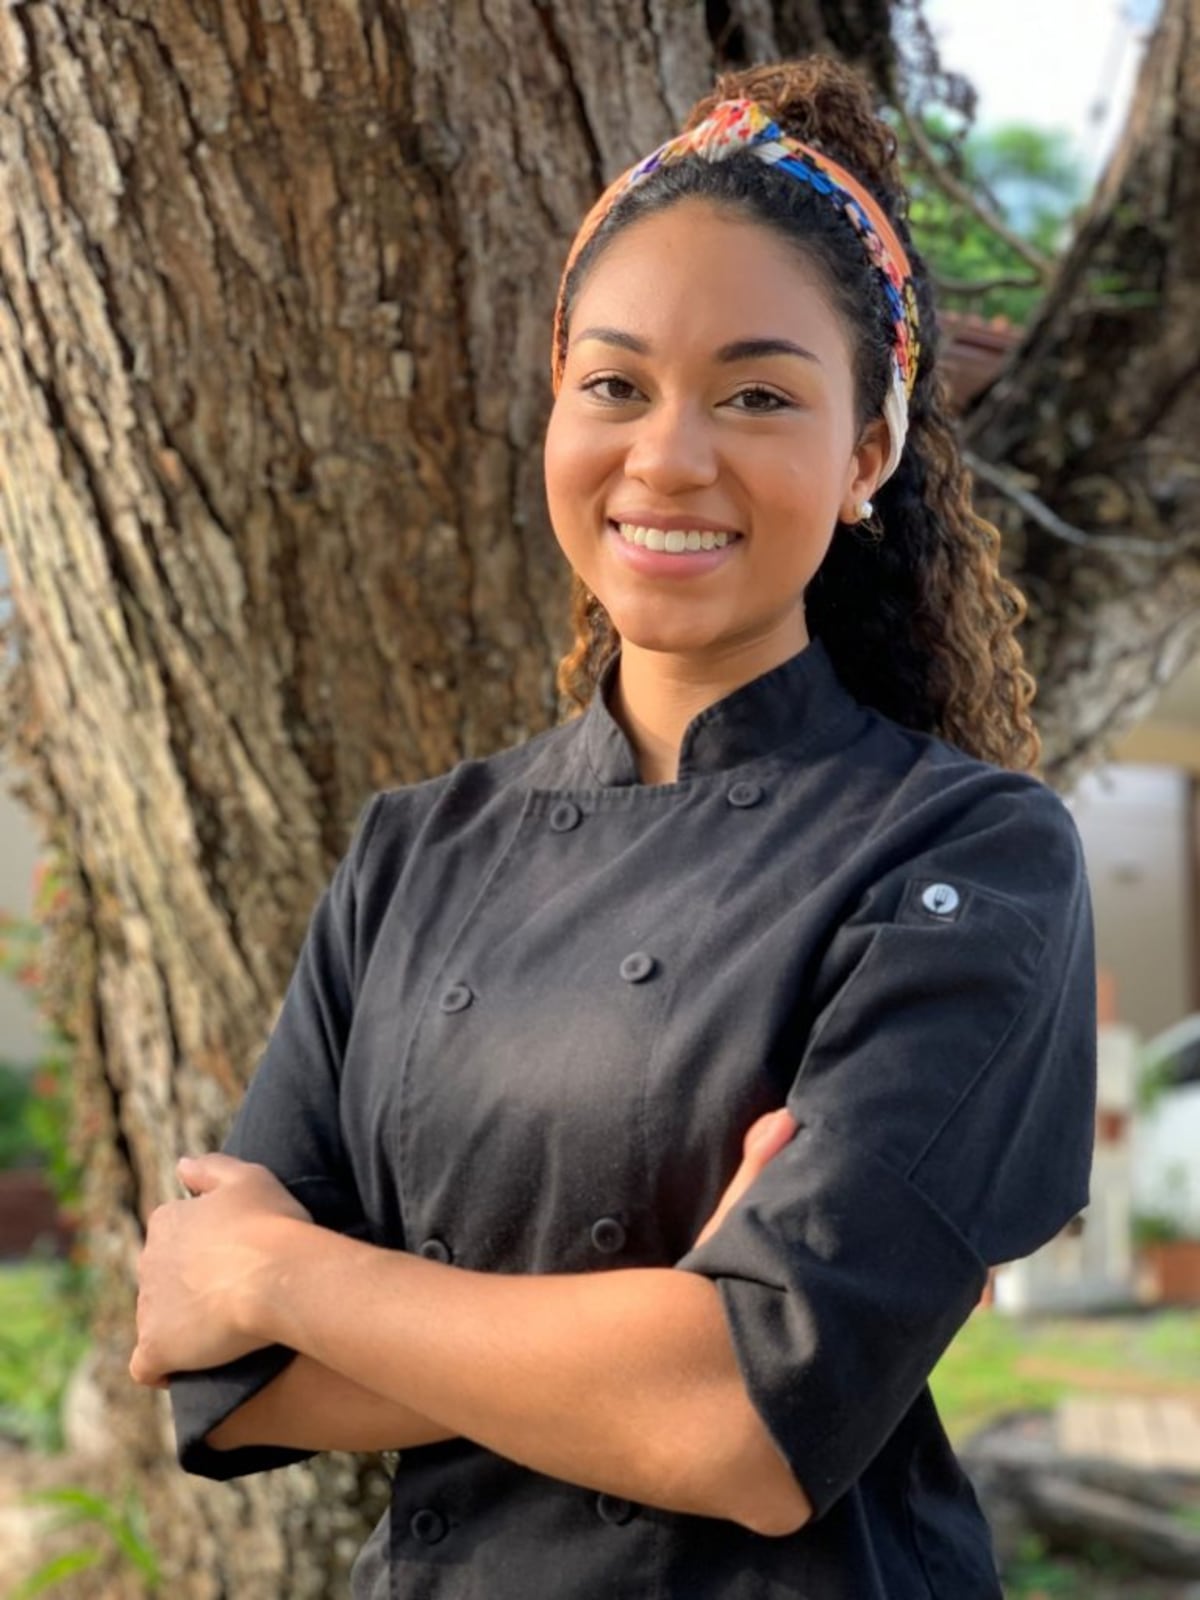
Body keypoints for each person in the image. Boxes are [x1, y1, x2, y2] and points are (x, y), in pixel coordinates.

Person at [130, 56, 1097, 1599]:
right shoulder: (413, 853)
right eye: (615, 383)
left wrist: (295, 1273)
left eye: (760, 395)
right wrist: (657, 1328)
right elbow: (218, 1372)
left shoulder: (968, 856)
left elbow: (747, 1430)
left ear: (868, 453)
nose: (669, 456)